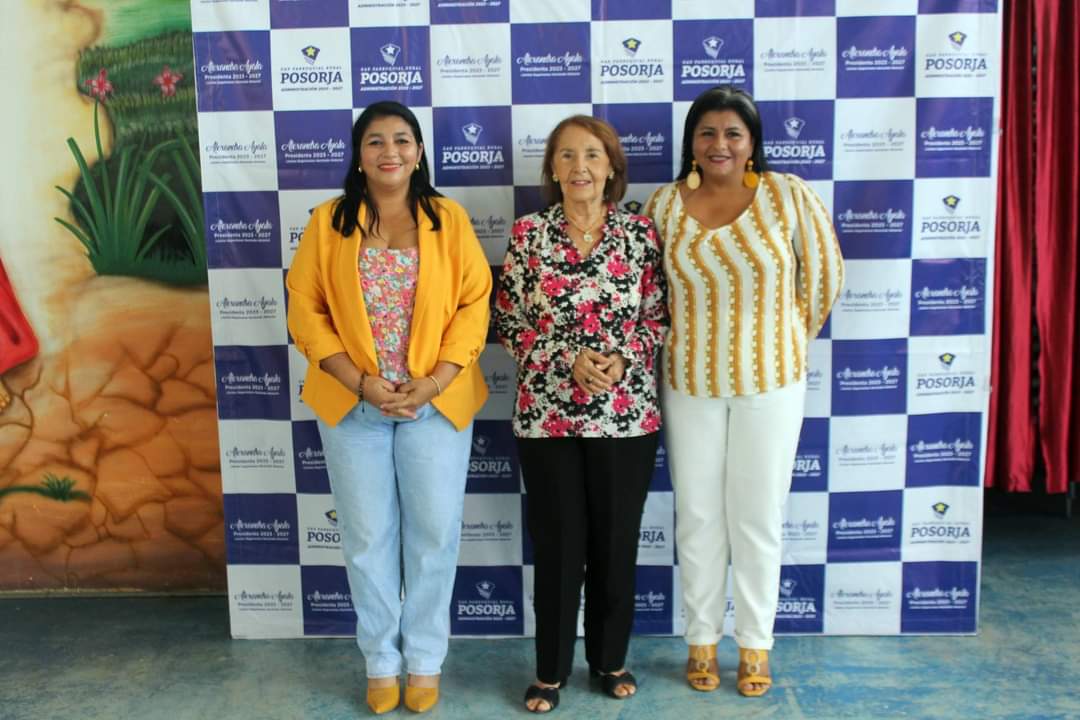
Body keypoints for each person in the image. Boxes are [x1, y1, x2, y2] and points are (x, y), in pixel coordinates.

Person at [286, 101, 492, 715]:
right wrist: (359, 383)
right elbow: (305, 309)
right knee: (367, 536)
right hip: (354, 406)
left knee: (433, 534)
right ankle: (380, 660)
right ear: (359, 155)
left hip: (435, 403)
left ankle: (424, 659)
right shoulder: (328, 222)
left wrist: (436, 381)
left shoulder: (448, 219)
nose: (389, 152)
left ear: (419, 152)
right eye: (375, 141)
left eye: (402, 140)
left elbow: (474, 304)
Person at [645, 86, 843, 697]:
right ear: (691, 143)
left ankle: (756, 644)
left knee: (757, 516)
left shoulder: (787, 195)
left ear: (752, 141)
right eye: (707, 132)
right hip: (689, 382)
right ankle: (701, 639)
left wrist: (783, 340)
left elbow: (825, 275)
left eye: (733, 132)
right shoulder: (663, 205)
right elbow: (649, 293)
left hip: (771, 384)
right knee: (698, 516)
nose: (720, 144)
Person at [494, 115, 668, 713]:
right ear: (552, 167)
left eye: (592, 154)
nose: (579, 167)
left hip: (626, 416)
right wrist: (565, 358)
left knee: (616, 544)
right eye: (566, 155)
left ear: (612, 166)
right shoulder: (529, 235)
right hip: (548, 417)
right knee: (560, 546)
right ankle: (550, 671)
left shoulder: (639, 235)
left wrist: (622, 359)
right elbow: (508, 321)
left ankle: (610, 660)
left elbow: (657, 317)